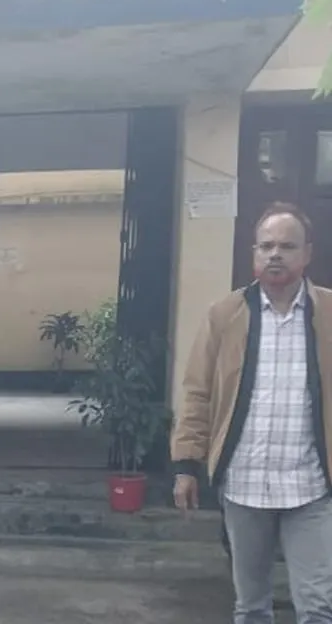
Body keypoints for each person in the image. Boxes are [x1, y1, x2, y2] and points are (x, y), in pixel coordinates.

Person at [172, 201, 332, 624]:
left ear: (307, 253)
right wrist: (187, 465)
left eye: (287, 246)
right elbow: (197, 392)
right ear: (254, 253)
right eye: (266, 246)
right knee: (252, 607)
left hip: (312, 487)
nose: (275, 254)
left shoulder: (329, 314)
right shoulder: (225, 316)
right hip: (244, 485)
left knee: (318, 607)